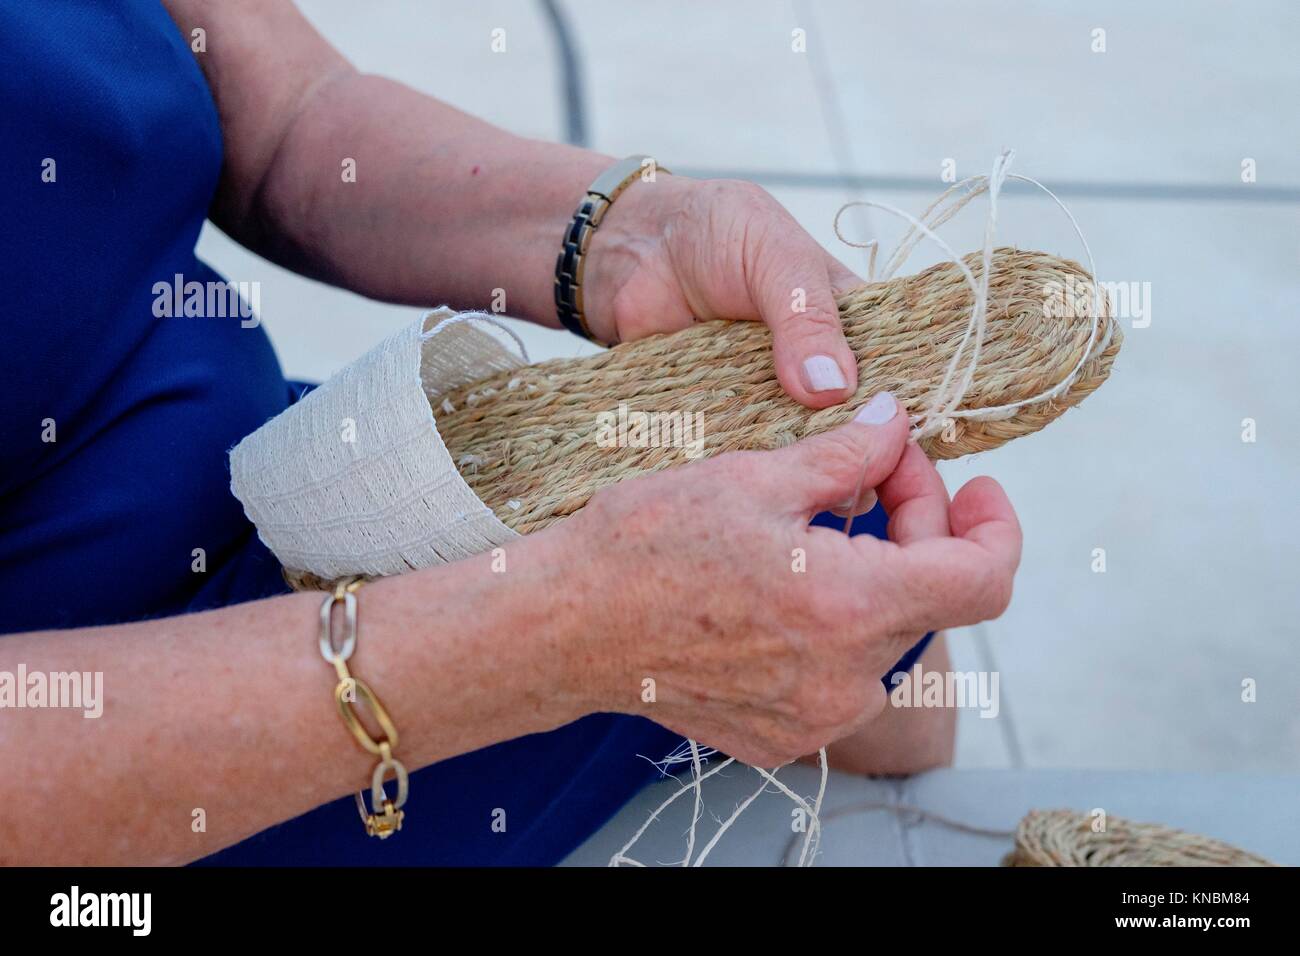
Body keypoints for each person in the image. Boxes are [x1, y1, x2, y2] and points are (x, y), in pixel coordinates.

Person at [0, 0, 1021, 865]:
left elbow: (291, 122)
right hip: (126, 753)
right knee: (834, 575)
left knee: (860, 573)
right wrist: (561, 635)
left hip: (264, 479)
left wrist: (629, 236)